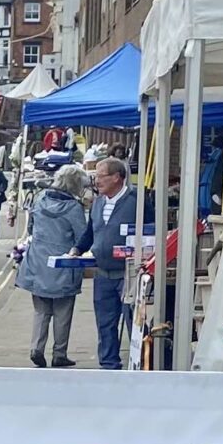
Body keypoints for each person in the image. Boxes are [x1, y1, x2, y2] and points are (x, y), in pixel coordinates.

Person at [17, 165, 92, 367]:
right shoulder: (74, 208)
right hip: (63, 264)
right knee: (62, 311)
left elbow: (31, 228)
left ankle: (36, 348)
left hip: (38, 262)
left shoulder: (40, 199)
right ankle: (59, 354)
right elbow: (82, 237)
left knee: (41, 310)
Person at [88, 156, 137, 368]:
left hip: (129, 275)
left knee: (132, 323)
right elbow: (91, 231)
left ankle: (137, 364)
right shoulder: (97, 202)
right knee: (105, 324)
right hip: (103, 274)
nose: (97, 181)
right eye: (96, 176)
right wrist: (76, 249)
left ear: (117, 177)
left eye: (101, 176)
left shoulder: (136, 201)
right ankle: (108, 365)